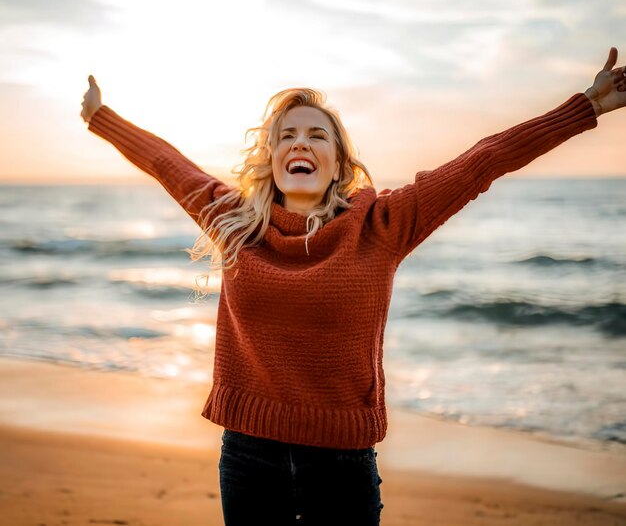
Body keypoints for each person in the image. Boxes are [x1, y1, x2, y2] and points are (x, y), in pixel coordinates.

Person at [80, 48, 626, 526]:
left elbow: (482, 160)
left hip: (342, 465)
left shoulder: (384, 223)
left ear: (339, 162)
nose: (301, 143)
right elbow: (165, 163)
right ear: (271, 161)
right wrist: (101, 117)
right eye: (287, 136)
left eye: (317, 135)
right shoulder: (235, 222)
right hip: (248, 457)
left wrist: (586, 107)